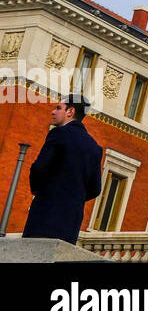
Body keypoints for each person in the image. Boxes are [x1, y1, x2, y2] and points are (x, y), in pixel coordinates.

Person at [21, 96, 104, 244]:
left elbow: (39, 167)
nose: (53, 111)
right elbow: (95, 188)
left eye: (58, 108)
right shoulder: (95, 147)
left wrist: (38, 190)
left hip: (47, 213)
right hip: (72, 220)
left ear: (70, 111)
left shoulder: (59, 133)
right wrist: (74, 197)